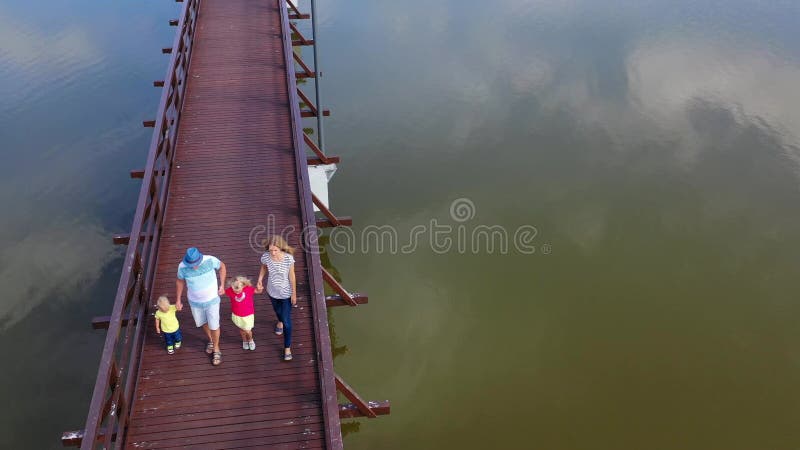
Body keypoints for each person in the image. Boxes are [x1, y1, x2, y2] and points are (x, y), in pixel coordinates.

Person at [175, 247, 226, 366]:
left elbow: (222, 266)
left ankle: (216, 349)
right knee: (203, 323)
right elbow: (179, 281)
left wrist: (222, 285)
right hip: (195, 302)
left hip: (212, 300)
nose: (194, 267)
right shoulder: (182, 267)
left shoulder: (210, 260)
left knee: (214, 325)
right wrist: (178, 300)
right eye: (191, 264)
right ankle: (211, 340)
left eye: (196, 264)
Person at [256, 235, 296, 361]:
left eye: (275, 250)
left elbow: (292, 277)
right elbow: (264, 267)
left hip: (285, 293)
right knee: (278, 312)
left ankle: (287, 348)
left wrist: (294, 293)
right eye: (270, 250)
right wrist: (260, 279)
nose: (273, 253)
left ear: (281, 248)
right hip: (272, 291)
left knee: (287, 322)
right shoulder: (266, 257)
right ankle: (279, 321)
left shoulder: (288, 259)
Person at [223, 276, 257, 351]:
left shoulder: (248, 289)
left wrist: (260, 289)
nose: (236, 292)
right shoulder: (230, 291)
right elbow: (223, 292)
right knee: (242, 329)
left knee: (248, 330)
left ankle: (250, 340)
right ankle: (244, 341)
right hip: (237, 314)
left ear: (243, 286)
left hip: (248, 315)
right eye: (234, 290)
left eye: (238, 291)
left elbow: (257, 291)